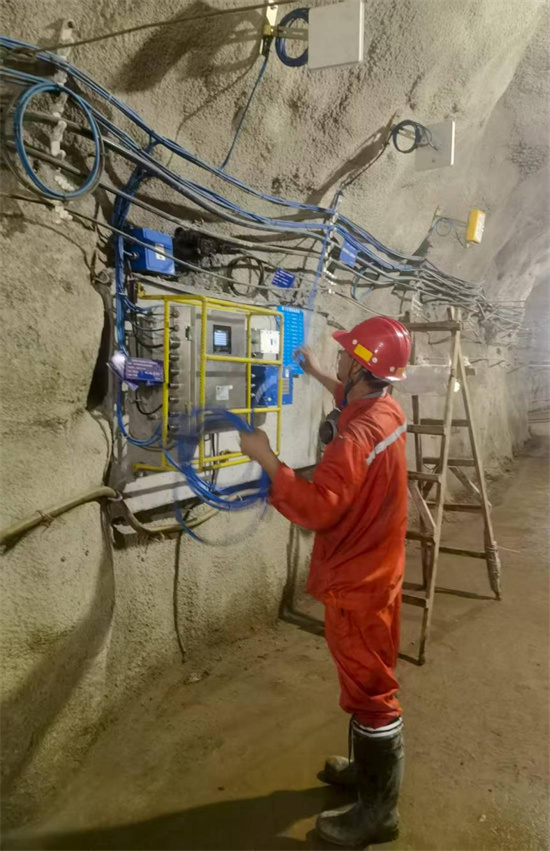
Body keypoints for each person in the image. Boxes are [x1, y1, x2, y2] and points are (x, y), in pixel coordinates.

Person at [239, 316, 411, 847]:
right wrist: (315, 372)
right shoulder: (384, 408)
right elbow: (351, 400)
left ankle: (378, 813)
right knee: (363, 679)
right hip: (378, 569)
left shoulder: (355, 436)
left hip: (356, 582)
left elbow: (318, 508)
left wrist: (266, 458)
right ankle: (365, 773)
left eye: (343, 356)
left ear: (360, 366)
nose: (338, 359)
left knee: (372, 691)